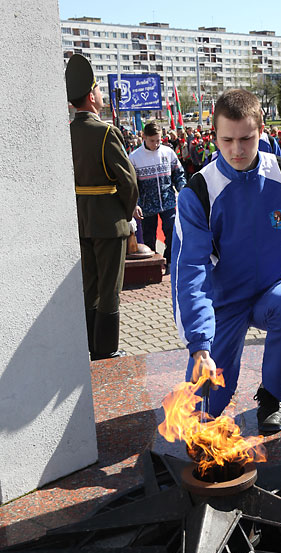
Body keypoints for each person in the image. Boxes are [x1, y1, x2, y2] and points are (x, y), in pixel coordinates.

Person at [171, 85, 281, 434]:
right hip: (224, 300)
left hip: (274, 289)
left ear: (261, 131)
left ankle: (272, 398)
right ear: (213, 136)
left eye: (246, 138)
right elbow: (190, 271)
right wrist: (199, 344)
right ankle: (213, 399)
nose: (236, 149)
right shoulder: (200, 192)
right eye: (227, 140)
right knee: (202, 415)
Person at [65, 53, 138, 358]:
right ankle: (106, 351)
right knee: (110, 290)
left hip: (80, 222)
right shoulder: (106, 132)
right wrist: (125, 214)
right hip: (109, 223)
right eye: (98, 90)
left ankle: (90, 347)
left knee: (89, 288)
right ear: (92, 97)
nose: (100, 95)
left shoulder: (66, 133)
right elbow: (129, 182)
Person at [132, 120, 184, 270]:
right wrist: (135, 204)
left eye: (158, 140)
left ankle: (169, 261)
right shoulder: (135, 157)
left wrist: (183, 188)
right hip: (146, 206)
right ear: (144, 137)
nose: (156, 144)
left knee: (172, 231)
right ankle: (153, 266)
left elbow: (179, 174)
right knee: (149, 236)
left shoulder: (168, 152)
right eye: (152, 141)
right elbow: (132, 185)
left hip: (168, 201)